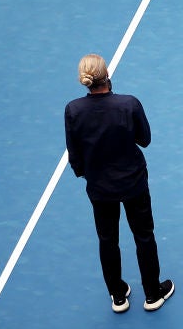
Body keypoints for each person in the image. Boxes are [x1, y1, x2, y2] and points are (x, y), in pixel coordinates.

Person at [65, 54, 175, 313]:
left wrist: (88, 175)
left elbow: (75, 155)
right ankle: (152, 294)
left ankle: (118, 295)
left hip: (99, 188)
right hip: (134, 183)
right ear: (107, 76)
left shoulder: (73, 110)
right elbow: (144, 139)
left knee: (107, 240)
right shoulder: (129, 104)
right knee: (144, 236)